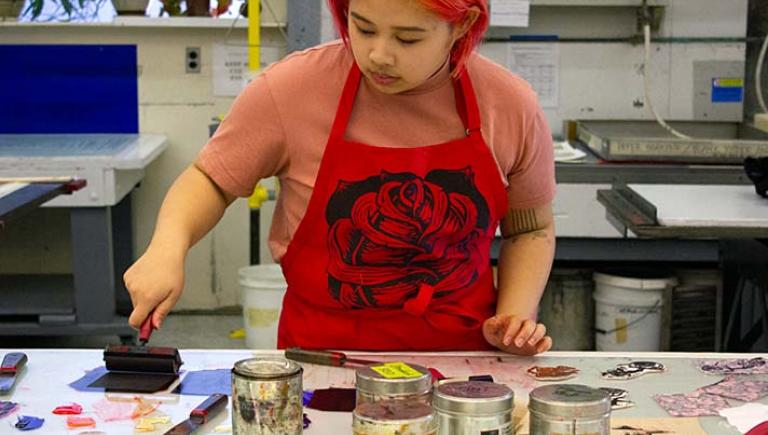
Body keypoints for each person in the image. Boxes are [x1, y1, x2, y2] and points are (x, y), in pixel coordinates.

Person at [124, 0, 556, 355]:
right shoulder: (293, 90)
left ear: (462, 25)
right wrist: (167, 248)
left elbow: (530, 228)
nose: (379, 54)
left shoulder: (509, 104)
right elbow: (211, 180)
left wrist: (515, 316)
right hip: (322, 359)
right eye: (363, 28)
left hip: (463, 366)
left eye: (408, 38)